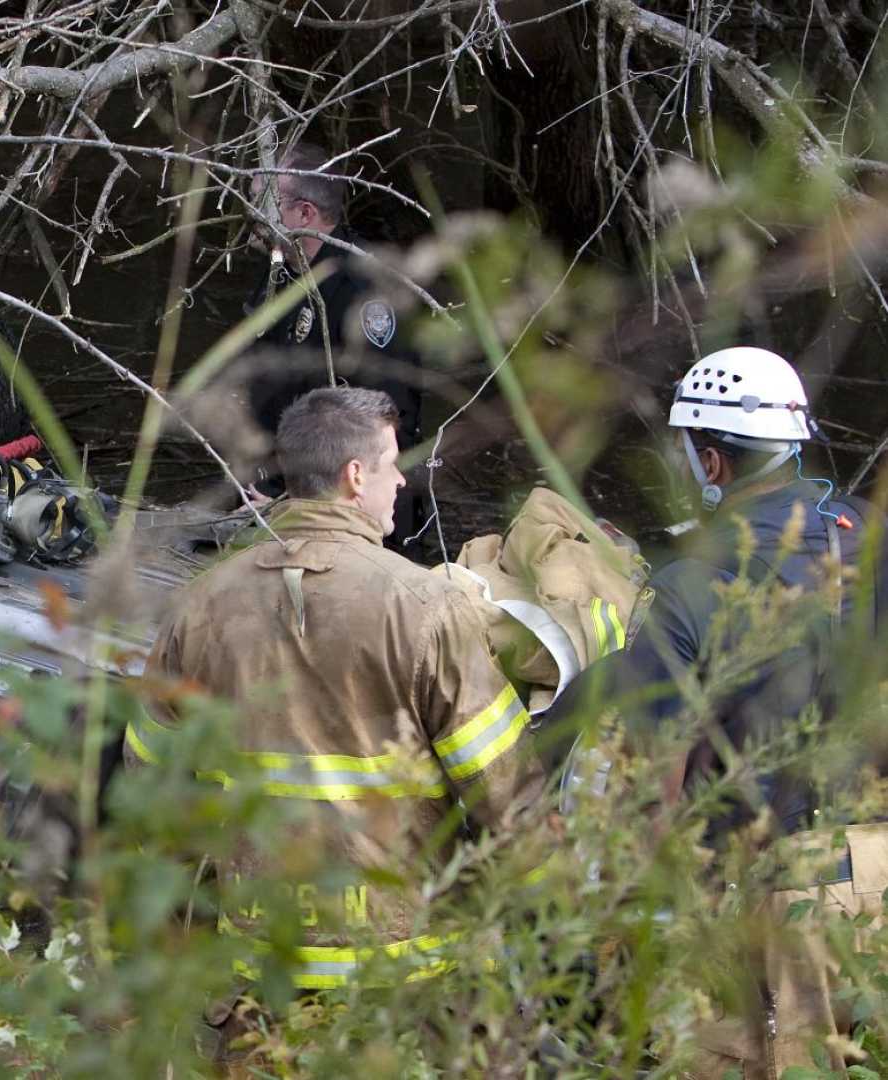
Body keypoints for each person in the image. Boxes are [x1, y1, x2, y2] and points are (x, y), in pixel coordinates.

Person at [129, 387, 545, 1052]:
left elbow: (149, 781)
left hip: (256, 966)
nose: (401, 478)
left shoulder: (200, 605)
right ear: (356, 477)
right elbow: (504, 791)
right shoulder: (425, 606)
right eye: (391, 462)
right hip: (405, 972)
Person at [565, 346, 887, 1077]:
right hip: (867, 879)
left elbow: (656, 768)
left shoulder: (692, 582)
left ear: (711, 464)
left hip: (747, 897)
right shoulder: (867, 534)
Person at [243, 144, 424, 546]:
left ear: (304, 214)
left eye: (260, 203)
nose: (249, 214)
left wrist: (292, 499)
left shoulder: (367, 294)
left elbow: (385, 424)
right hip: (281, 488)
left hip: (350, 509)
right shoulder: (282, 273)